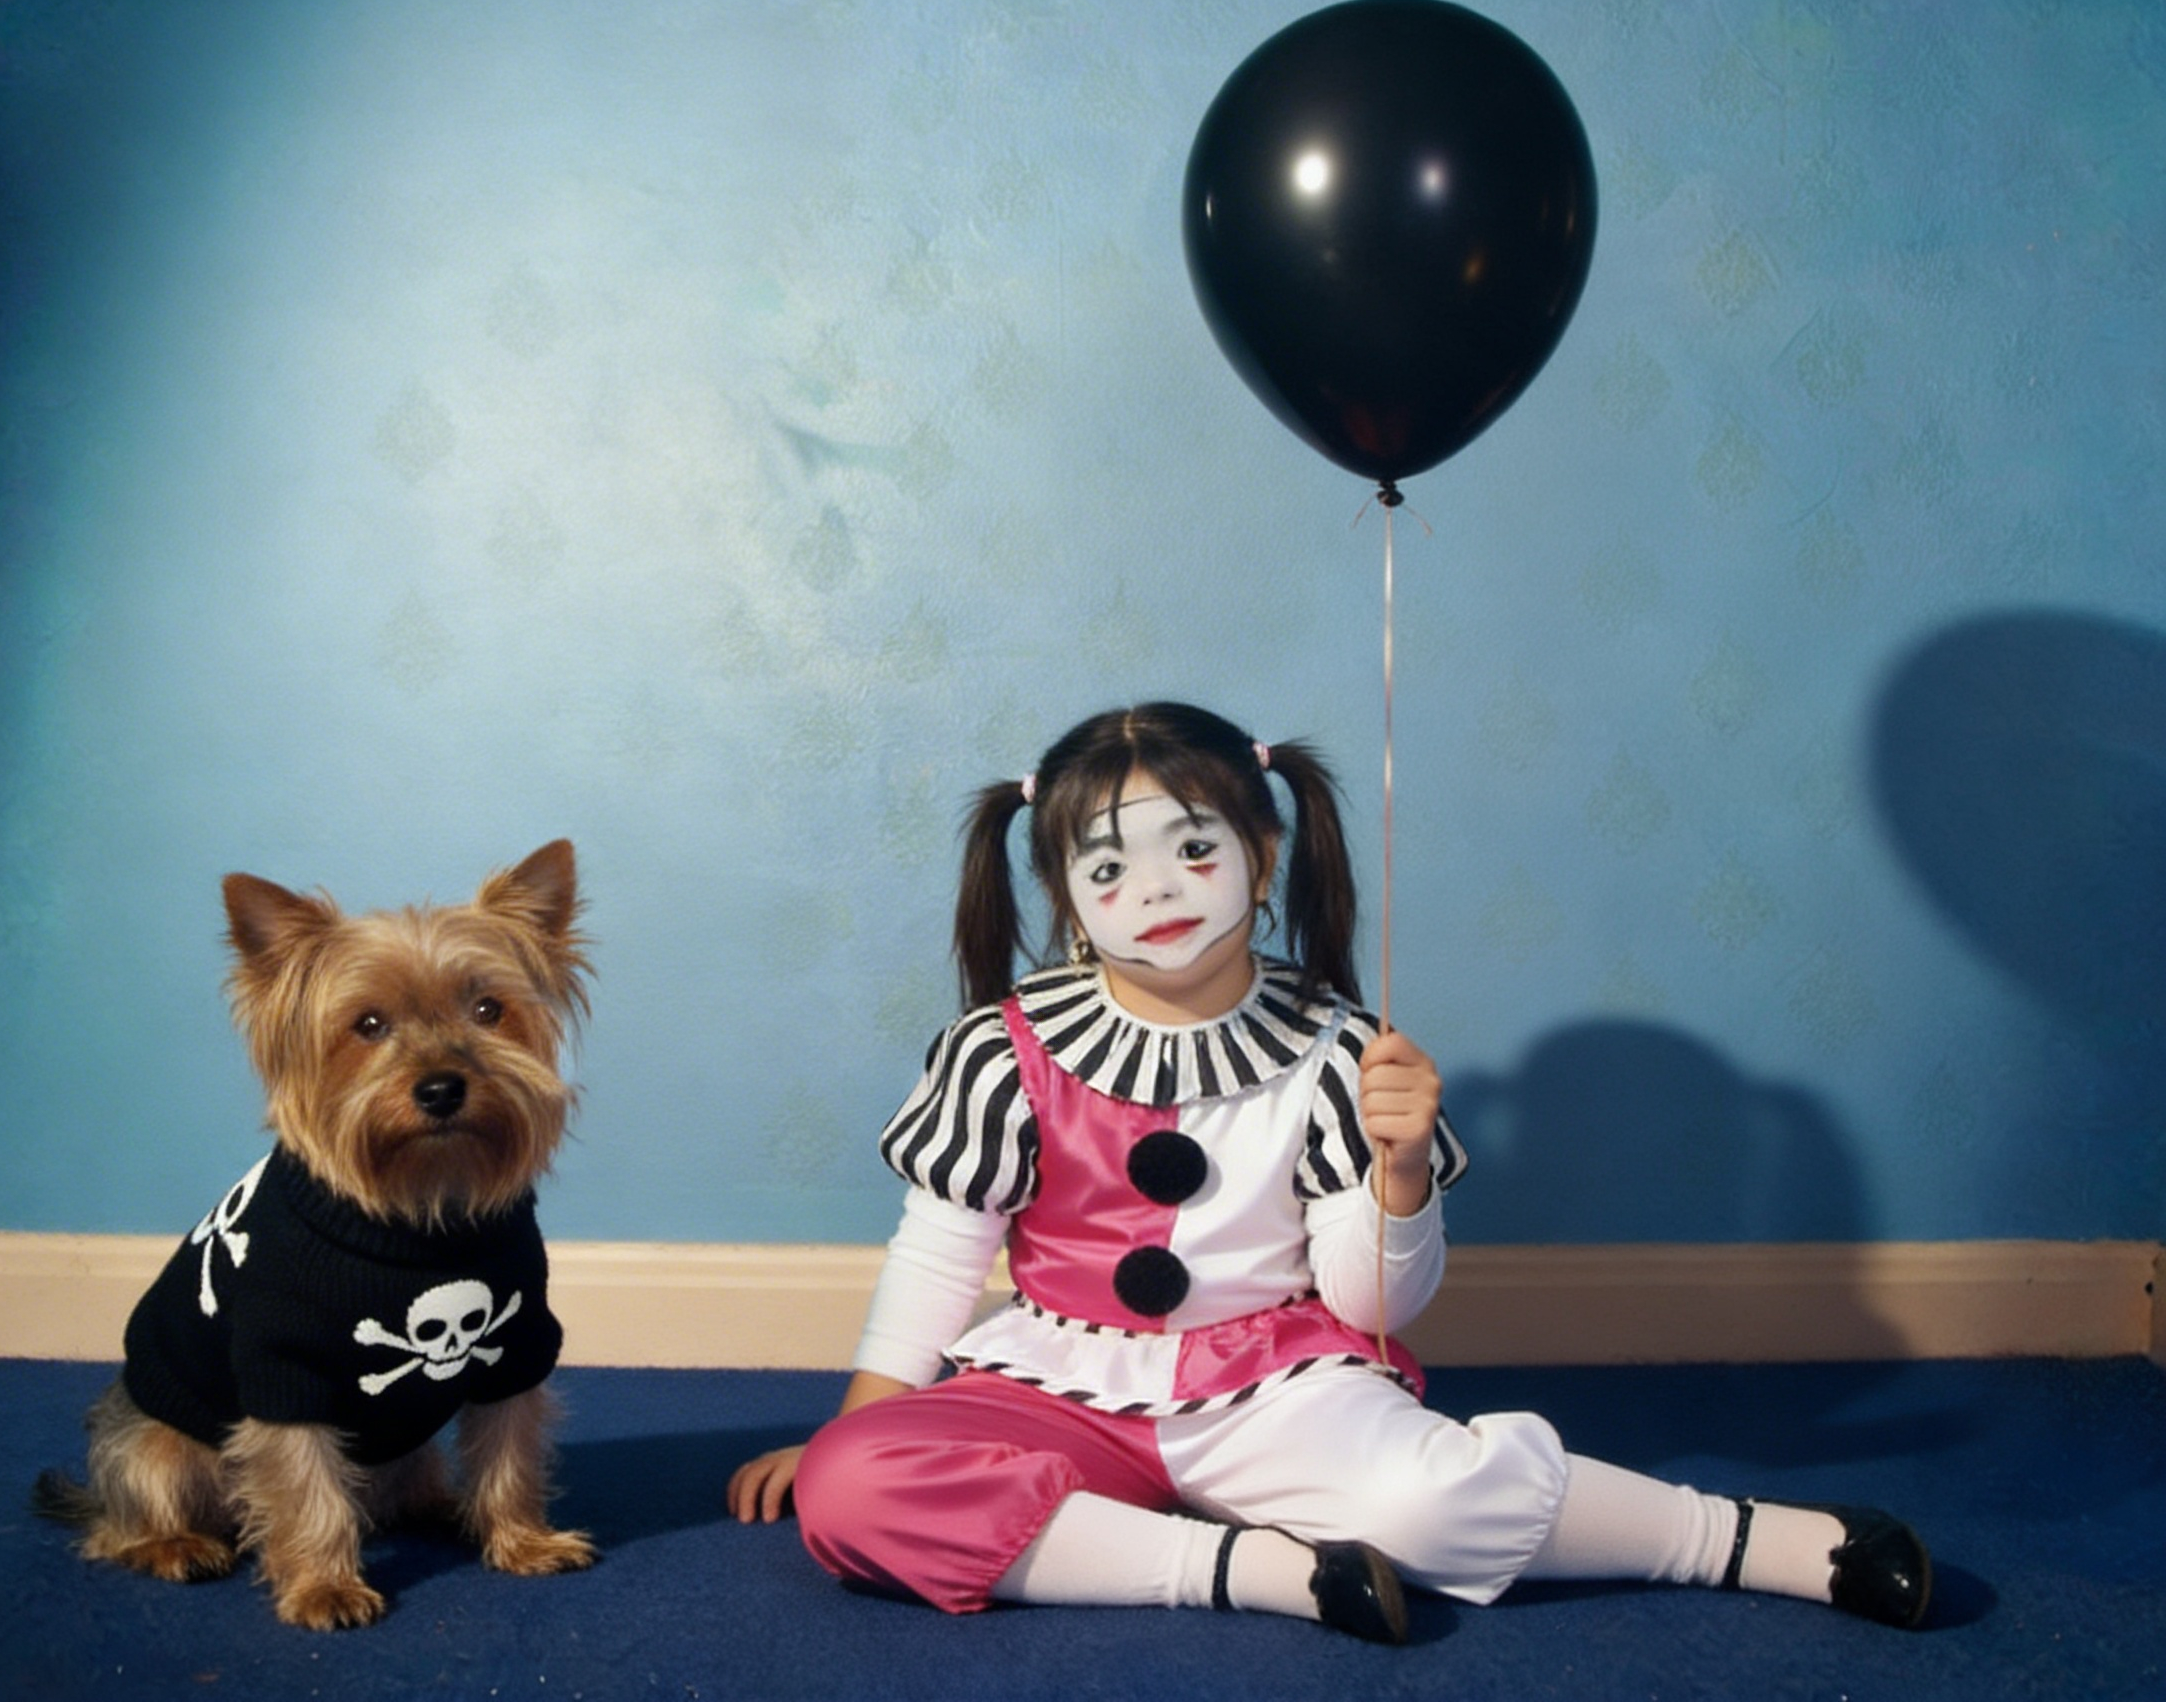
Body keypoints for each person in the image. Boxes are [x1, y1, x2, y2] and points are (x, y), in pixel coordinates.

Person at [727, 702, 1930, 1641]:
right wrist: (864, 1425)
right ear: (1068, 903)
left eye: (1193, 848)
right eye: (1107, 870)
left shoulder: (1337, 1050)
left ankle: (1756, 1542)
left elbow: (1371, 1305)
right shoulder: (1003, 1050)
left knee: (1429, 1499)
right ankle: (1257, 1571)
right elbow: (941, 1253)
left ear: (1262, 854)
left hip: (1273, 1385)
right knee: (852, 1491)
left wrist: (1399, 1177)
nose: (1156, 890)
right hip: (1060, 1382)